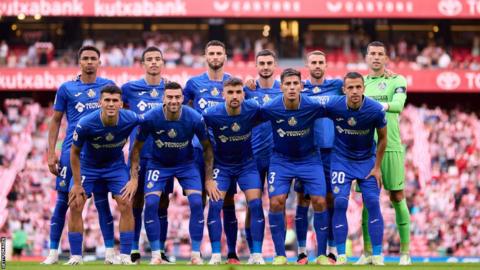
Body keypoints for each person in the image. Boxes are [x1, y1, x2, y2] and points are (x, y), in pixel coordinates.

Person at [43, 46, 116, 264]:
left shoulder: (108, 88)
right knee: (64, 201)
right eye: (85, 58)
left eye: (94, 58)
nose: (90, 62)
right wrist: (51, 153)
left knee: (102, 202)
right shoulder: (66, 88)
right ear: (79, 62)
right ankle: (54, 253)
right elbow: (55, 121)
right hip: (71, 151)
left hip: (100, 152)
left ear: (99, 62)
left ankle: (111, 253)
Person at [130, 82, 214, 265]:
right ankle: (155, 256)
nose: (174, 100)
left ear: (183, 98)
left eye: (177, 97)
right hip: (158, 164)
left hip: (186, 164)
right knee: (151, 203)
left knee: (196, 203)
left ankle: (195, 255)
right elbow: (136, 148)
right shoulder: (151, 118)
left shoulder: (194, 118)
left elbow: (207, 147)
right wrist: (134, 177)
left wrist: (208, 178)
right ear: (163, 98)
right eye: (170, 97)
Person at [260, 68, 331, 265]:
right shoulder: (270, 107)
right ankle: (280, 255)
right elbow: (248, 115)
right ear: (281, 86)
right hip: (281, 160)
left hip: (309, 159)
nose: (291, 87)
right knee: (276, 202)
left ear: (301, 85)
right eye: (287, 84)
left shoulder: (313, 106)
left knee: (319, 201)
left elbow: (338, 108)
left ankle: (322, 254)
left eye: (295, 84)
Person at [66, 85, 142, 265]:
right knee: (76, 204)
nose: (111, 104)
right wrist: (77, 184)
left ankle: (124, 255)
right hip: (88, 166)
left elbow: (138, 145)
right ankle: (76, 256)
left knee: (126, 202)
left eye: (115, 100)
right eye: (107, 100)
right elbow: (74, 153)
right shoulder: (86, 123)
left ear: (121, 104)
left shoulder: (131, 118)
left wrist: (134, 178)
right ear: (100, 103)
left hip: (115, 167)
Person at [319, 71, 387, 265]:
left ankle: (377, 255)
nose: (355, 91)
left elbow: (383, 138)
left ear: (364, 88)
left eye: (358, 87)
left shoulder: (375, 110)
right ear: (344, 90)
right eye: (350, 87)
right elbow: (309, 109)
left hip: (367, 162)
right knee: (340, 203)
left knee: (373, 203)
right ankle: (341, 255)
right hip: (341, 161)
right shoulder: (334, 106)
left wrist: (377, 167)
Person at [183, 40, 240, 264]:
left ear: (225, 57)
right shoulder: (193, 84)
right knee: (199, 202)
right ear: (205, 57)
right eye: (211, 53)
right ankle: (196, 253)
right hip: (198, 150)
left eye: (219, 53)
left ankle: (231, 253)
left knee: (227, 203)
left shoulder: (234, 84)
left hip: (226, 154)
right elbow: (182, 108)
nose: (215, 57)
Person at [358, 41, 411, 265]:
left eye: (381, 54)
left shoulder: (396, 80)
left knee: (397, 196)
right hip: (366, 150)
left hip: (391, 147)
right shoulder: (360, 83)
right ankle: (368, 252)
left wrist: (375, 106)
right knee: (369, 200)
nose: (377, 57)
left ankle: (405, 253)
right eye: (373, 54)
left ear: (386, 58)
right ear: (367, 58)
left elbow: (398, 104)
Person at [203, 77, 265, 265]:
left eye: (238, 92)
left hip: (247, 165)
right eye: (230, 92)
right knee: (215, 206)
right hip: (222, 167)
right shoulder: (211, 115)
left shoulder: (252, 109)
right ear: (223, 94)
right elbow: (205, 146)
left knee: (255, 205)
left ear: (243, 94)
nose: (235, 96)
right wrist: (208, 178)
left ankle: (256, 255)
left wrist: (253, 87)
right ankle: (216, 255)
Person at [121, 46, 172, 264]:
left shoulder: (170, 90)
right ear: (142, 63)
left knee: (162, 202)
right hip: (138, 155)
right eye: (149, 59)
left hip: (164, 156)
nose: (153, 62)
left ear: (162, 63)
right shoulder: (129, 89)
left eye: (157, 59)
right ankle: (133, 249)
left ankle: (159, 251)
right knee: (137, 201)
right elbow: (113, 106)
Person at [294, 50, 343, 264]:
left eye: (320, 62)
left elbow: (360, 87)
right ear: (307, 64)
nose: (317, 65)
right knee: (303, 201)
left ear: (326, 64)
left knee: (329, 201)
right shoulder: (298, 87)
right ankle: (302, 251)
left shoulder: (337, 86)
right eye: (313, 62)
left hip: (331, 153)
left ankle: (330, 251)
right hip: (306, 153)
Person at [243, 49, 282, 263]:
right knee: (254, 205)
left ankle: (279, 254)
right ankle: (255, 253)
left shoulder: (284, 89)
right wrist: (243, 84)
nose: (265, 66)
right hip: (252, 156)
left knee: (277, 203)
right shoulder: (247, 90)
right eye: (262, 63)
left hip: (277, 157)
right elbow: (230, 96)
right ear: (256, 66)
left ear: (274, 65)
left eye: (269, 62)